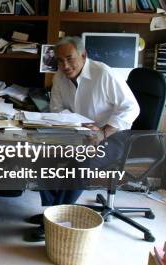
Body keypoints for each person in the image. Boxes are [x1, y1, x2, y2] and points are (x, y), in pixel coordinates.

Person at [29, 36, 139, 240]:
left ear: (83, 55)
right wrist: (75, 124)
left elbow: (131, 108)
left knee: (81, 162)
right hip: (79, 133)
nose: (65, 65)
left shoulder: (103, 73)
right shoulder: (60, 77)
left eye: (70, 59)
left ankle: (56, 220)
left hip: (114, 136)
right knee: (39, 155)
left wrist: (103, 131)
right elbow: (56, 109)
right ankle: (53, 210)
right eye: (60, 61)